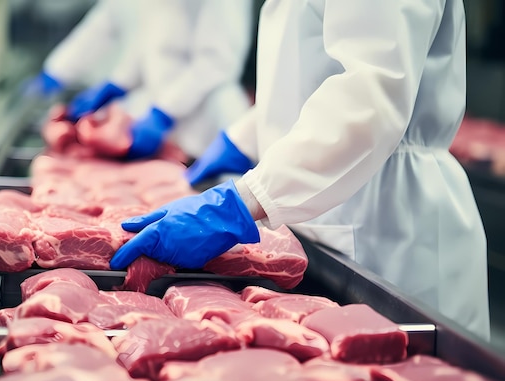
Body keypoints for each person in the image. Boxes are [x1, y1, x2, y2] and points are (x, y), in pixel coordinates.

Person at [110, 0, 491, 340]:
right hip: (338, 205)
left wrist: (241, 202)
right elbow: (312, 78)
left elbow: (371, 93)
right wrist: (243, 139)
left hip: (392, 220)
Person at [64, 0, 254, 160]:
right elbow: (154, 45)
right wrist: (118, 83)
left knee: (218, 191)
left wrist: (164, 112)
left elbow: (218, 61)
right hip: (165, 120)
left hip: (209, 117)